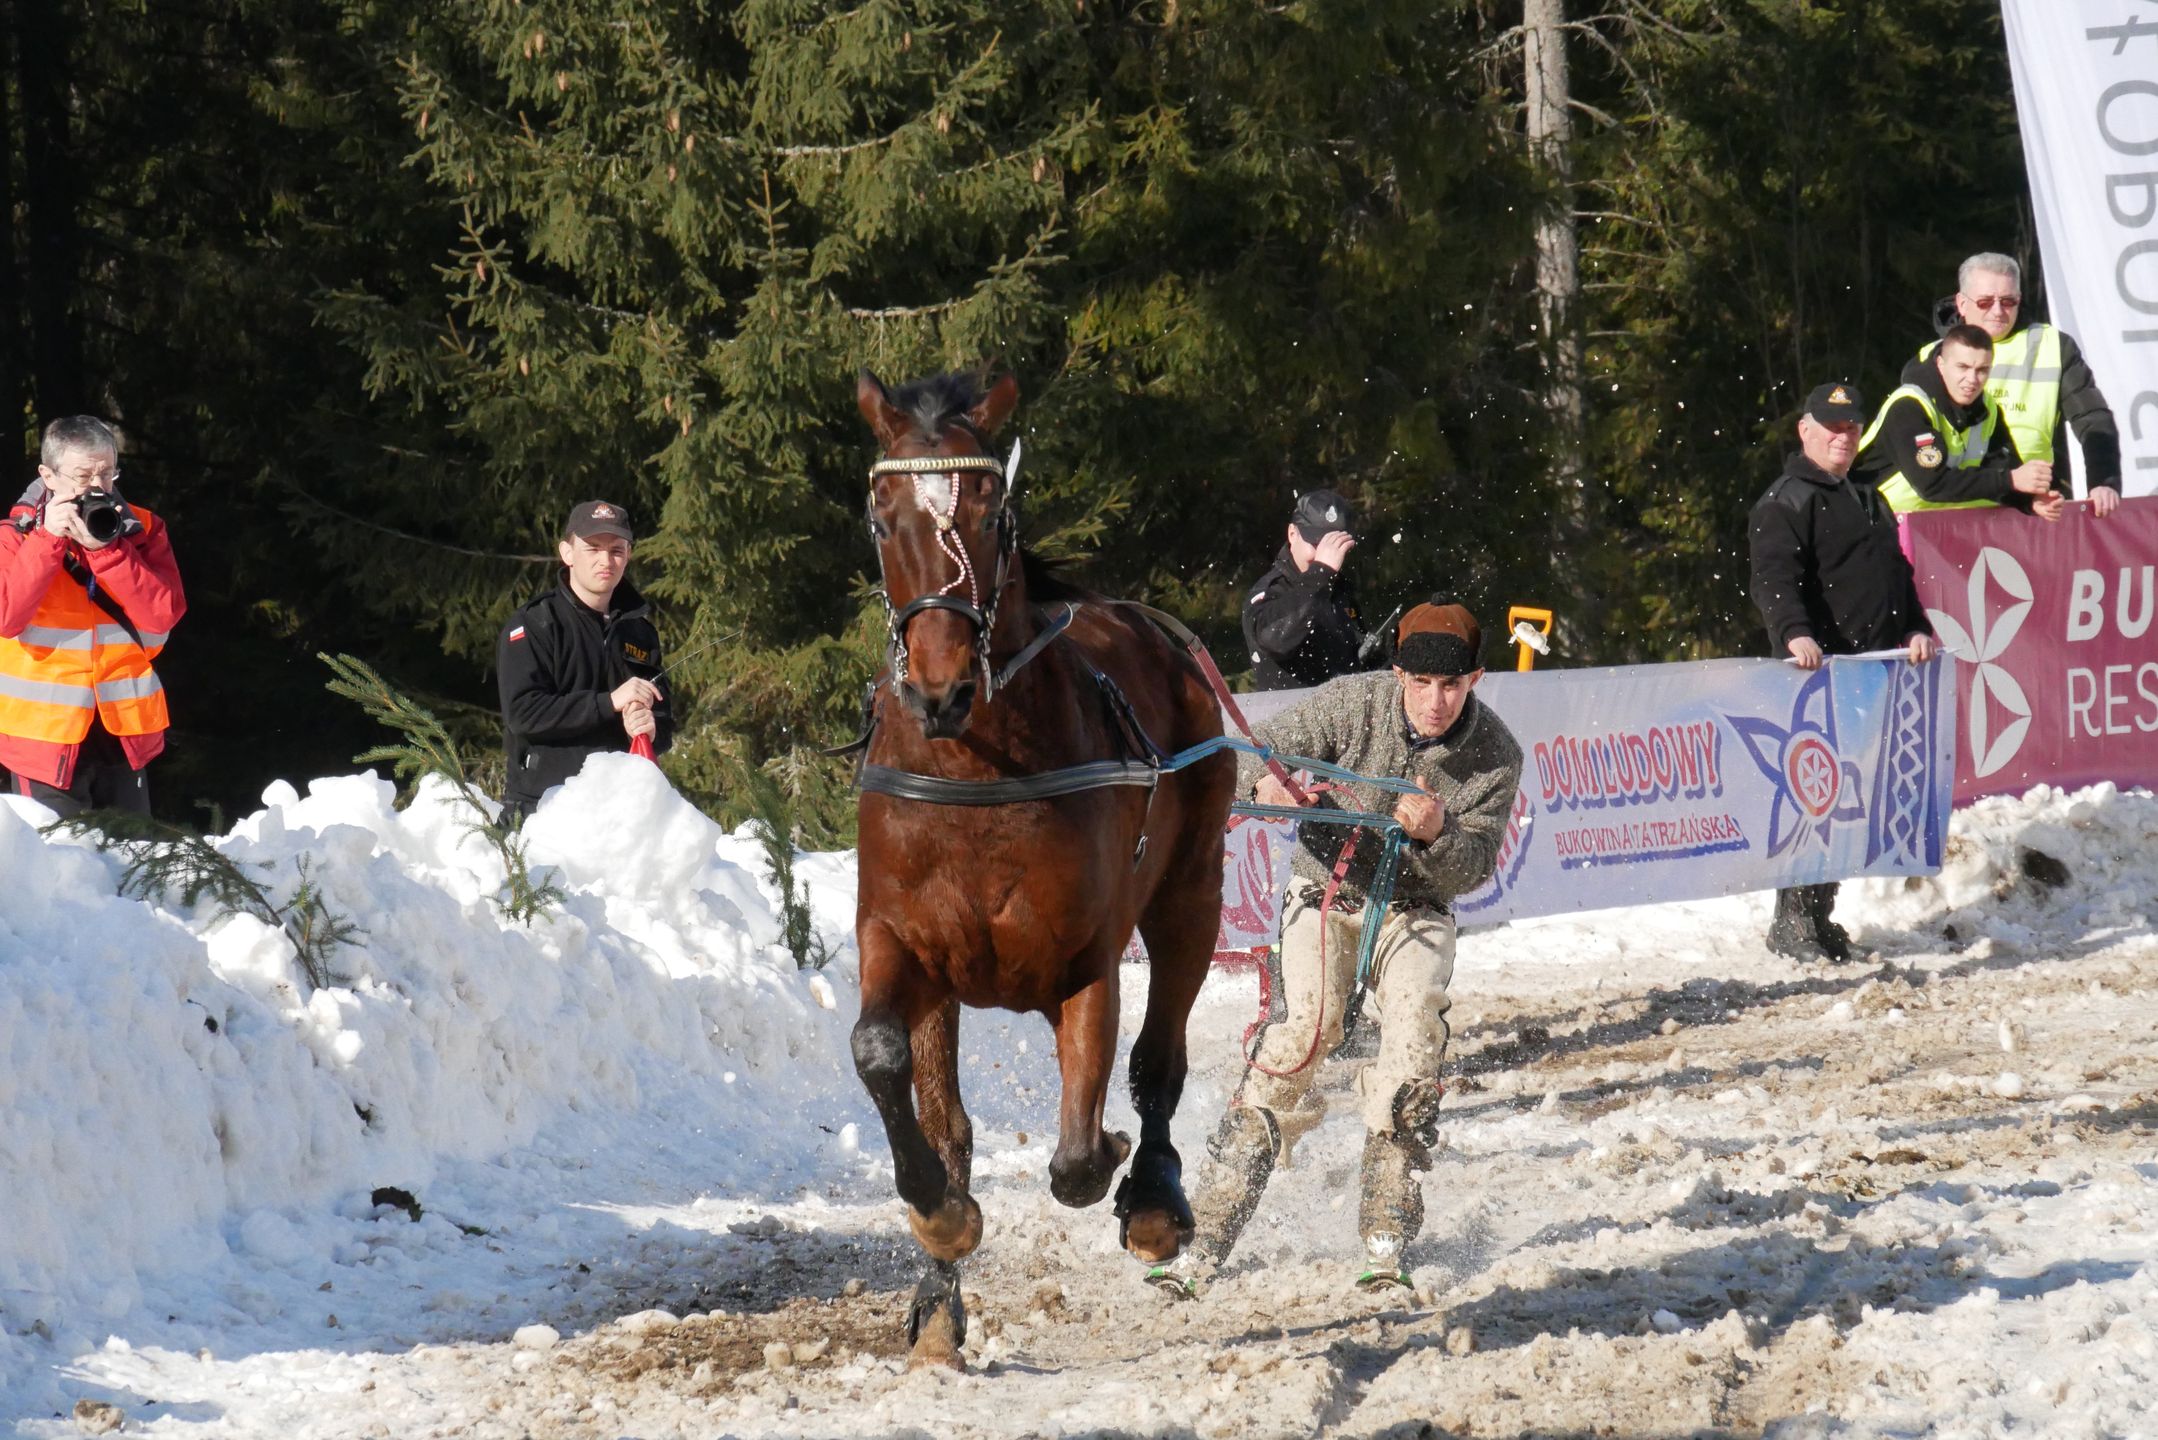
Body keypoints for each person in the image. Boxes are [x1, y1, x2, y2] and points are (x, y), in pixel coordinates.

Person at [1166, 600, 1523, 1293]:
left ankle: (1387, 1229)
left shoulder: (1496, 756)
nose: (1435, 701)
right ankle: (1206, 1228)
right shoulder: (1347, 705)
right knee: (1304, 1034)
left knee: (1416, 1034)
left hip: (1416, 909)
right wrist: (1270, 785)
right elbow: (1251, 758)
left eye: (1451, 686)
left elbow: (1473, 869)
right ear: (1397, 675)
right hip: (1326, 893)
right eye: (1420, 684)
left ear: (1475, 679)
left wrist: (1438, 835)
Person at [1748, 382, 1938, 964]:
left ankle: (1819, 913)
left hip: (1872, 672)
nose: (1842, 435)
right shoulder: (1786, 498)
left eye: (1852, 426)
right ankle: (1792, 921)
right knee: (1815, 801)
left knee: (1850, 801)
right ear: (1805, 431)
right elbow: (1772, 576)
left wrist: (1915, 627)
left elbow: (1896, 573)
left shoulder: (1868, 494)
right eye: (1831, 426)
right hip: (1817, 677)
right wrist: (1792, 632)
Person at [0, 416, 185, 818]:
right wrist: (48, 540)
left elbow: (163, 615)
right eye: (84, 475)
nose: (99, 487)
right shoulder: (14, 537)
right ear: (48, 475)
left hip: (125, 732)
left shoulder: (142, 529)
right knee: (58, 871)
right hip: (43, 737)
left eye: (107, 472)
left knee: (134, 864)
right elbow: (7, 617)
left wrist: (107, 552)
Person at [496, 500, 670, 823]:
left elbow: (663, 714)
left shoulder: (641, 632)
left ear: (628, 555)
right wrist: (609, 703)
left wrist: (651, 727)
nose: (606, 560)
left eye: (617, 550)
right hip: (543, 811)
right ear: (567, 552)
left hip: (620, 812)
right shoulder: (534, 625)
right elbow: (523, 714)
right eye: (592, 548)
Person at [1919, 252, 2121, 519]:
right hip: (1955, 511)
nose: (1998, 311)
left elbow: (2092, 418)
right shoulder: (1931, 356)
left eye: (2008, 301)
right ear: (1961, 303)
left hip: (2032, 505)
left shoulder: (2052, 345)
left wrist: (2103, 482)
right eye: (1984, 302)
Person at [1852, 323, 2062, 520]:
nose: (1972, 379)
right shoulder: (1909, 406)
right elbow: (1932, 485)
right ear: (1941, 364)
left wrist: (2030, 501)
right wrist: (2011, 480)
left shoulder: (1987, 409)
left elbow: (2000, 469)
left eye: (1982, 370)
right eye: (1963, 367)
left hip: (1931, 526)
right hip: (1873, 522)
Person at [1241, 488, 1368, 690]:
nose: (1325, 554)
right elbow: (1274, 639)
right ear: (1292, 534)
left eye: (1334, 546)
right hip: (1289, 716)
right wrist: (1321, 573)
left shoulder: (1339, 589)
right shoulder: (1270, 590)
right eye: (1316, 543)